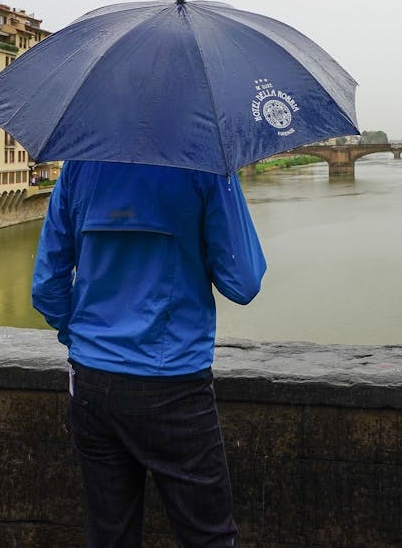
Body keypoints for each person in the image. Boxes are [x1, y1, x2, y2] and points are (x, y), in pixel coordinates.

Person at [33, 160, 267, 548]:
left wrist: (81, 339)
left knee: (109, 536)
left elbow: (47, 286)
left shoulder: (79, 166)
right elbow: (242, 282)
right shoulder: (206, 165)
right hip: (173, 383)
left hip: (91, 382)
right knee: (208, 537)